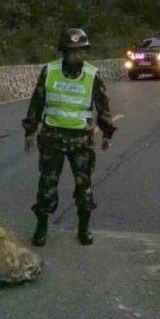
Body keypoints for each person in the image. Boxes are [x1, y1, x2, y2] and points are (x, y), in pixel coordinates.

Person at [22, 28, 116, 246]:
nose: (78, 56)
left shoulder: (92, 75)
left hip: (81, 141)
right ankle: (42, 227)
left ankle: (84, 228)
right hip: (51, 139)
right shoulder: (49, 72)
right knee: (47, 186)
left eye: (82, 51)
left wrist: (107, 133)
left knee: (84, 187)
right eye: (73, 52)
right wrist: (29, 130)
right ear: (63, 52)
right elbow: (37, 102)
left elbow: (103, 106)